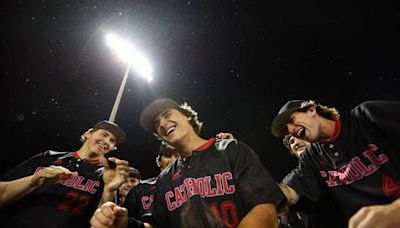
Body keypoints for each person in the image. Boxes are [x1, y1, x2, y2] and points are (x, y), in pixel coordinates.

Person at [271, 99, 400, 227]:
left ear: (311, 110)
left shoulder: (364, 117)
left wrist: (394, 210)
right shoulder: (312, 158)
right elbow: (291, 193)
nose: (291, 130)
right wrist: (261, 194)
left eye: (292, 120)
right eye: (287, 130)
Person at [0, 120, 130, 227]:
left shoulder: (106, 176)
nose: (107, 141)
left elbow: (103, 223)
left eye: (112, 141)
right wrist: (32, 181)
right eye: (104, 134)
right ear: (88, 133)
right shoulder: (48, 157)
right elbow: (3, 193)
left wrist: (109, 191)